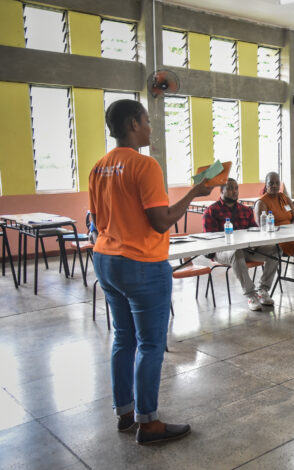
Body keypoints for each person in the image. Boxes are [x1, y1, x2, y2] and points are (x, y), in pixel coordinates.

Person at [90, 99, 213, 444]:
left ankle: (125, 413)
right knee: (150, 344)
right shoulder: (145, 166)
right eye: (146, 121)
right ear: (132, 124)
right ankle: (149, 423)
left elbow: (98, 220)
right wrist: (194, 193)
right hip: (141, 264)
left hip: (106, 259)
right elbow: (160, 222)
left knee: (123, 338)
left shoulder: (98, 167)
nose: (150, 127)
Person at [202, 178, 278, 310]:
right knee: (236, 253)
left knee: (275, 250)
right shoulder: (211, 211)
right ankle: (251, 295)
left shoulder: (245, 210)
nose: (234, 191)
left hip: (246, 249)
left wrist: (256, 241)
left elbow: (255, 232)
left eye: (236, 188)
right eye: (230, 188)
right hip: (222, 252)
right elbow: (211, 240)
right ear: (221, 191)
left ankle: (263, 290)